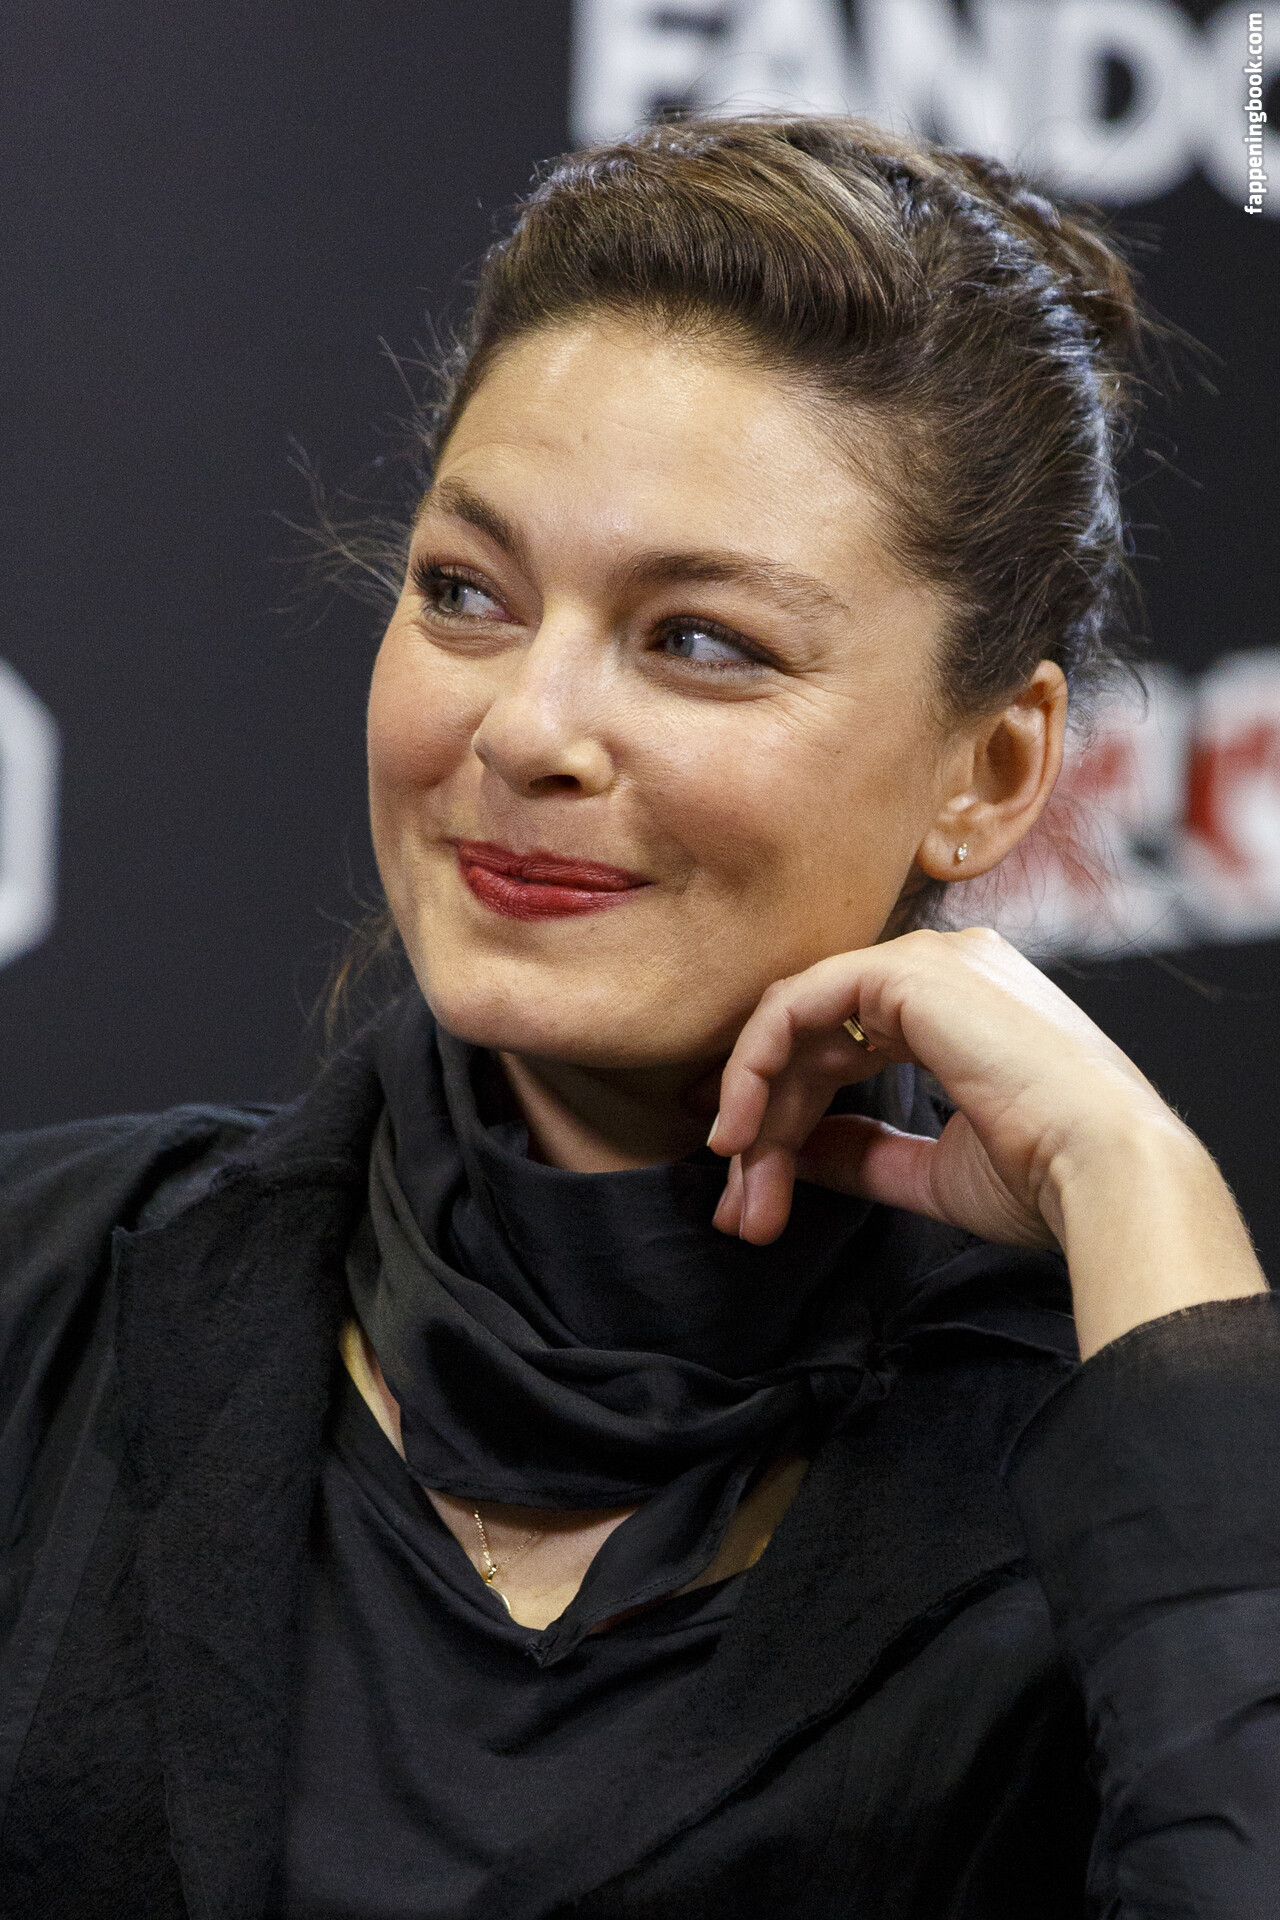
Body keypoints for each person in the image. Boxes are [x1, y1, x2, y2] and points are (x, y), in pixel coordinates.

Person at [1, 114, 1277, 1920]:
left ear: (992, 771)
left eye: (698, 640)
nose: (527, 726)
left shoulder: (1136, 1512)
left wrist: (1137, 1181)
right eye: (467, 594)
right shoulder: (43, 1296)